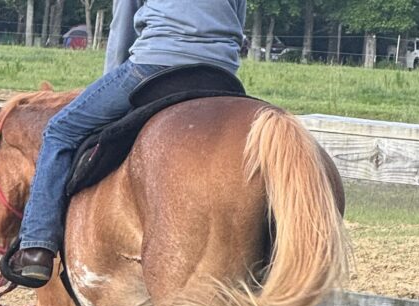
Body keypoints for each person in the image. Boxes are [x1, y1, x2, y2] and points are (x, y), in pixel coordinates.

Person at [13, 0, 247, 284]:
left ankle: (37, 245)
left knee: (60, 131)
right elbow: (238, 16)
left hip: (156, 62)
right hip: (221, 69)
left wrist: (110, 82)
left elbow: (122, 27)